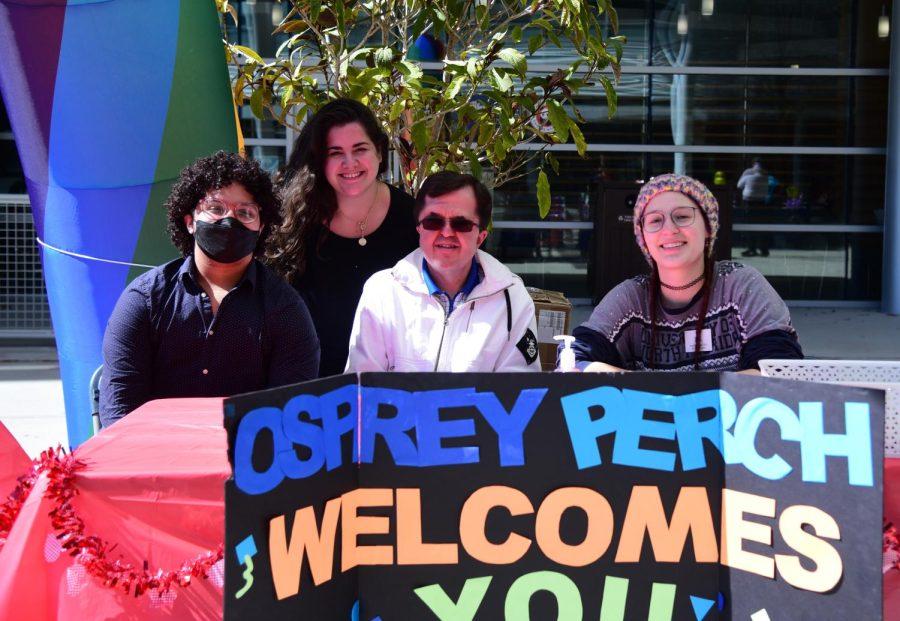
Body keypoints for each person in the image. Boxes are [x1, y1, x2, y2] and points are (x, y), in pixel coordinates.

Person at [99, 152, 320, 427]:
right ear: (190, 221)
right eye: (216, 208)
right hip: (157, 461)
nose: (229, 220)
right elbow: (119, 414)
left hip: (245, 464)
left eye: (245, 212)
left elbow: (291, 419)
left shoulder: (285, 310)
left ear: (261, 227)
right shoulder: (144, 301)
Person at [566, 173, 802, 373]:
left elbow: (779, 369)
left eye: (682, 216)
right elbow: (575, 359)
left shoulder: (740, 285)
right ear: (644, 240)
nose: (669, 229)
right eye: (655, 220)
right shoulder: (631, 298)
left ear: (709, 228)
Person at [267, 98, 418, 377]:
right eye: (335, 152)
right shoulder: (293, 223)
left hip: (392, 389)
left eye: (360, 149)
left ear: (380, 153)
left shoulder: (414, 220)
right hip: (309, 387)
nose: (349, 163)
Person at [346, 171, 541, 372]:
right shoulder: (382, 292)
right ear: (419, 229)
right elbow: (362, 389)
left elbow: (518, 392)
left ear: (480, 237)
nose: (447, 233)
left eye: (461, 224)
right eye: (433, 222)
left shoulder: (512, 297)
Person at [737, 159, 770, 257]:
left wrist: (745, 173)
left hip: (750, 203)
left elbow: (739, 185)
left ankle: (752, 249)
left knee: (750, 226)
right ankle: (763, 249)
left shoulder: (749, 175)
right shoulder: (766, 176)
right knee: (761, 226)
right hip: (761, 203)